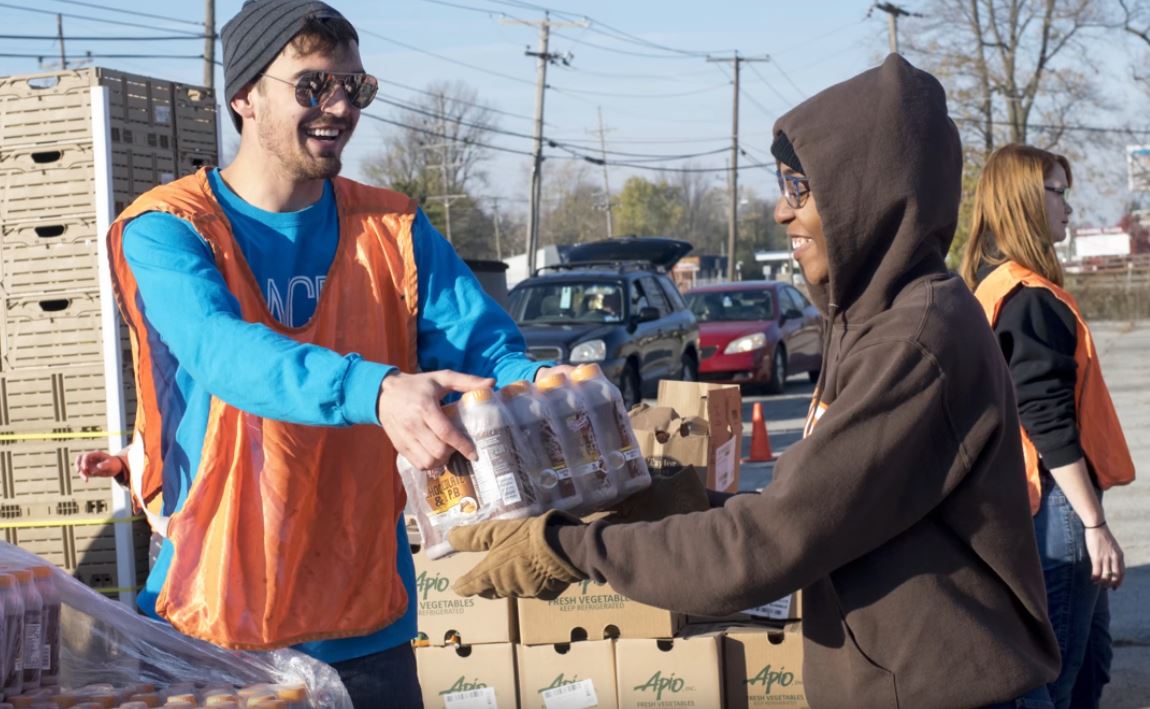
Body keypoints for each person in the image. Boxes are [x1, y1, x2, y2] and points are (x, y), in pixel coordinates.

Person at [448, 55, 1061, 708]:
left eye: (801, 189)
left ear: (868, 191)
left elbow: (770, 543)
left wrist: (570, 545)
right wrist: (677, 503)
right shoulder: (871, 321)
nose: (779, 211)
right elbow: (823, 505)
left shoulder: (918, 335)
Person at [103, 1, 559, 704]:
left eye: (356, 87)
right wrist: (378, 390)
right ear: (245, 96)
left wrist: (544, 384)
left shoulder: (393, 227)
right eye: (314, 86)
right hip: (211, 628)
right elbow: (224, 352)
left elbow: (483, 347)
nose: (340, 106)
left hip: (363, 630)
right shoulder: (167, 229)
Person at [960, 144, 1135, 709]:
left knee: (1089, 661)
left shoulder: (991, 283)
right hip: (1058, 505)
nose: (1067, 207)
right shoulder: (1028, 298)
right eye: (1057, 192)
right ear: (1023, 201)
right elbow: (1047, 418)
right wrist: (1094, 524)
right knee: (1057, 671)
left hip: (1037, 499)